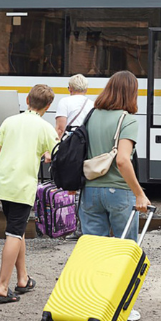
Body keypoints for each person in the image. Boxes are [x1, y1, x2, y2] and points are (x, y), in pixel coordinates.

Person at [0, 84, 59, 303]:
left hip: (4, 184)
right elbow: (58, 156)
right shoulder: (45, 127)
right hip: (22, 186)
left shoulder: (10, 122)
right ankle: (1, 287)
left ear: (27, 101)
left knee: (17, 230)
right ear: (48, 106)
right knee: (13, 233)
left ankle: (23, 279)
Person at [81, 70, 150, 321]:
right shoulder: (127, 119)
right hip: (119, 193)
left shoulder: (92, 116)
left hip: (90, 191)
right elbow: (122, 159)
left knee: (93, 252)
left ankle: (92, 303)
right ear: (131, 93)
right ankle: (123, 308)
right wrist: (139, 193)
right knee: (124, 252)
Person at [55, 74, 94, 241]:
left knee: (70, 183)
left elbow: (60, 128)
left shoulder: (65, 102)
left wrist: (53, 149)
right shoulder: (92, 103)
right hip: (86, 145)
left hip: (71, 146)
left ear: (69, 88)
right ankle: (83, 226)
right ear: (85, 89)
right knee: (84, 182)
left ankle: (70, 224)